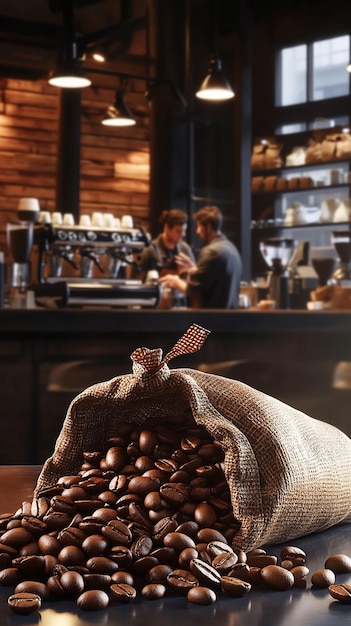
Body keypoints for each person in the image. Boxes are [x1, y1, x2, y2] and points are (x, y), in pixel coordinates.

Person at [159, 205, 242, 308]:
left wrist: (175, 282)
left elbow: (193, 291)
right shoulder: (231, 248)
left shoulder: (211, 251)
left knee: (176, 324)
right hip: (228, 322)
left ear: (208, 227)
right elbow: (211, 282)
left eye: (199, 227)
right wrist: (193, 270)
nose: (197, 231)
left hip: (208, 323)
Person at [139, 208, 195, 279]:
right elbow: (138, 279)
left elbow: (195, 280)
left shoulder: (185, 249)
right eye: (178, 231)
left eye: (184, 231)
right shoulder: (150, 251)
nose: (183, 235)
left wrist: (189, 270)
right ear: (167, 227)